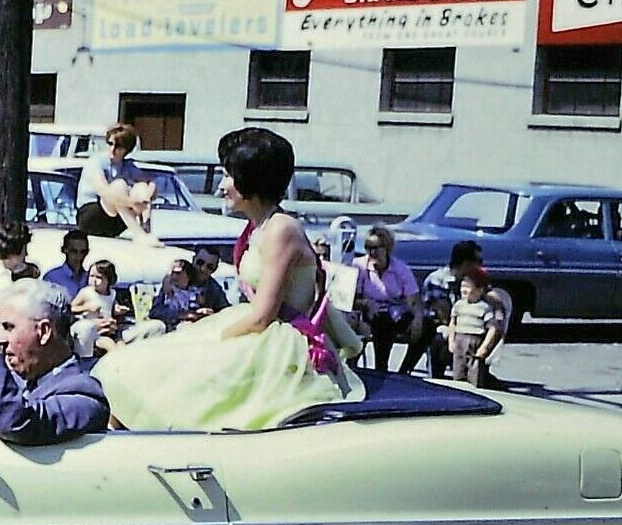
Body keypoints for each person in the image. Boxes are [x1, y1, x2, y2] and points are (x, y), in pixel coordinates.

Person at [94, 128, 364, 432]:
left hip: (279, 343)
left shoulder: (280, 230)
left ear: (251, 180)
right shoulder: (261, 226)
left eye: (228, 176)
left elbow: (263, 316)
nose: (222, 186)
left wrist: (212, 340)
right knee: (137, 368)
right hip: (257, 327)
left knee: (170, 369)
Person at [0, 276, 111, 445]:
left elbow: (14, 422)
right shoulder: (23, 380)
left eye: (9, 327)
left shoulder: (84, 398)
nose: (0, 338)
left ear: (44, 331)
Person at [400, 239, 482, 378]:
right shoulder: (438, 279)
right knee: (440, 336)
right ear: (466, 264)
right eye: (478, 262)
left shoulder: (470, 282)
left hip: (461, 322)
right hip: (434, 324)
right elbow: (444, 315)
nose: (481, 266)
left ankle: (474, 373)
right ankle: (429, 374)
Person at [76, 124, 161, 246]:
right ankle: (139, 234)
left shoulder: (127, 165)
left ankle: (145, 229)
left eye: (119, 147)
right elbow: (104, 192)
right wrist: (131, 202)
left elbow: (151, 182)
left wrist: (145, 197)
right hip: (92, 216)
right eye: (110, 144)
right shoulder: (96, 162)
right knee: (119, 185)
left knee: (141, 186)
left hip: (116, 221)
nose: (113, 149)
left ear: (126, 149)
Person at [352, 225, 422, 373]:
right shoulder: (359, 266)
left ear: (387, 248)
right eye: (368, 247)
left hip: (395, 312)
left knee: (427, 326)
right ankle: (379, 369)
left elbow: (413, 299)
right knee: (381, 323)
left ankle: (405, 370)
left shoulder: (400, 269)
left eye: (376, 247)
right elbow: (350, 298)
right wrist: (366, 304)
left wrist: (417, 320)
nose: (372, 252)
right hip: (366, 311)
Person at [69, 259, 165, 357]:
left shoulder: (112, 294)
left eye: (99, 277)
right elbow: (72, 308)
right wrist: (87, 307)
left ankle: (125, 359)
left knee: (121, 344)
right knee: (109, 345)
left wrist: (118, 310)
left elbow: (111, 307)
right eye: (91, 276)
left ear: (109, 280)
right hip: (94, 332)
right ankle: (115, 358)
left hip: (111, 330)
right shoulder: (87, 292)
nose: (94, 280)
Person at [448, 265, 501, 388]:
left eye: (468, 287)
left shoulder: (484, 307)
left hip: (475, 340)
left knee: (475, 374)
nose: (464, 290)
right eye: (462, 286)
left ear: (480, 290)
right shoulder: (458, 305)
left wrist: (484, 347)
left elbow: (492, 328)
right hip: (459, 340)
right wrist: (451, 341)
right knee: (458, 372)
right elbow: (453, 323)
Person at [149, 258, 220, 330]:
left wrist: (201, 312)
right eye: (171, 273)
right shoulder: (165, 293)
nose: (173, 276)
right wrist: (180, 315)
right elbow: (154, 313)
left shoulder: (199, 292)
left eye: (177, 273)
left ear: (188, 276)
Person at [43, 228, 91, 297]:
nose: (79, 256)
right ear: (64, 250)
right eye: (74, 251)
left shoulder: (92, 279)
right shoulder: (52, 278)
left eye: (83, 252)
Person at [190, 248, 232, 312]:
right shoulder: (177, 277)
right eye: (200, 262)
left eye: (209, 267)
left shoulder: (214, 289)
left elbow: (225, 313)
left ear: (214, 269)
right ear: (193, 260)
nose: (203, 269)